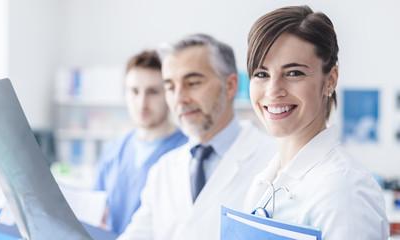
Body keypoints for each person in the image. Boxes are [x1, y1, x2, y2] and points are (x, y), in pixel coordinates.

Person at [243, 5, 389, 239]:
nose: (273, 90)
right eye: (262, 74)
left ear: (330, 80)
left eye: (294, 73)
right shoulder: (265, 181)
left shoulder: (345, 189)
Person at [117, 34, 277, 240]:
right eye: (170, 87)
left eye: (192, 83)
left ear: (230, 86)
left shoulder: (274, 161)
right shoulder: (163, 170)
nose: (178, 99)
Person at [93, 50, 188, 235]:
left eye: (152, 92)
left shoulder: (188, 151)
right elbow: (96, 211)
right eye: (134, 91)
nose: (142, 102)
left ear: (169, 93)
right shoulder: (113, 150)